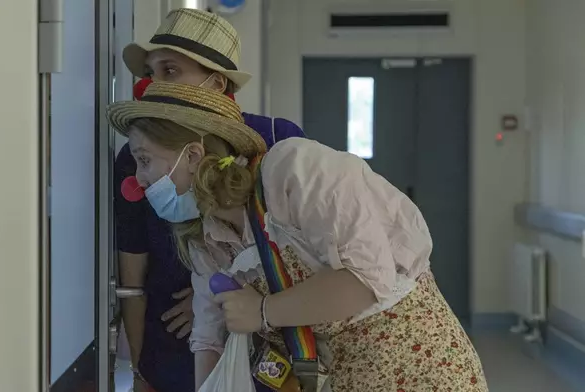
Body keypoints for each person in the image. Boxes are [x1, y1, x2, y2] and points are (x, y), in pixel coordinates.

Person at [107, 80, 489, 392]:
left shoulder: (293, 173)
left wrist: (262, 312)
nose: (138, 182)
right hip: (342, 375)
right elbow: (208, 339)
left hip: (417, 365)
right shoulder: (207, 237)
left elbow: (366, 280)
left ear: (192, 156)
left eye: (144, 160)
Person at [114, 8, 305, 392]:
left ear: (217, 84)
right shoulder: (137, 158)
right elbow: (131, 277)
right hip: (172, 344)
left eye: (170, 71)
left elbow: (308, 258)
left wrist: (224, 299)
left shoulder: (277, 143)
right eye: (151, 74)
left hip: (268, 337)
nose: (155, 85)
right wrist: (139, 372)